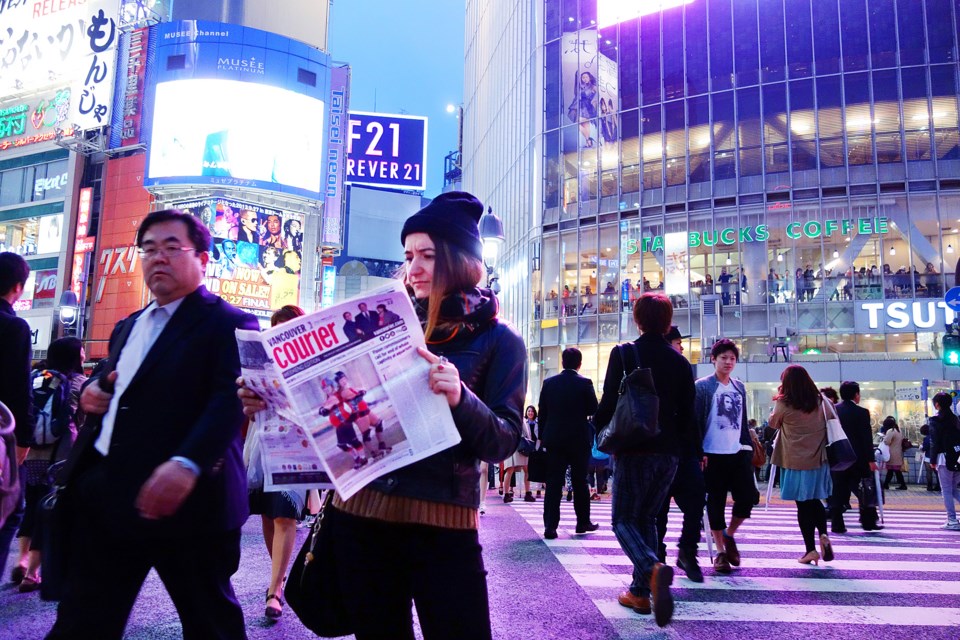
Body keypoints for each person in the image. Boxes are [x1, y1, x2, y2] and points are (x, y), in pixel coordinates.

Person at [241, 191, 526, 639]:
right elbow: (330, 416)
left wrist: (460, 397)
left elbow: (505, 439)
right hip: (362, 518)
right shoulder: (374, 321)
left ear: (460, 259)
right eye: (409, 255)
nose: (413, 268)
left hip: (442, 524)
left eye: (428, 255)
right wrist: (271, 399)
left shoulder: (499, 340)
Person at [48, 210, 259, 639]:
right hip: (111, 496)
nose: (156, 258)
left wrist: (186, 463)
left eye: (170, 247)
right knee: (84, 618)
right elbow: (110, 377)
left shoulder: (229, 323)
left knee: (210, 621)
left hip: (190, 504)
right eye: (148, 249)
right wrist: (92, 389)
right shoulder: (129, 325)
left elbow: (227, 402)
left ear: (203, 258)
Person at [595, 293, 698, 627]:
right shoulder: (681, 362)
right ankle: (640, 592)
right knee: (649, 518)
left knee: (623, 519)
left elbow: (609, 401)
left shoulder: (625, 353)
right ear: (668, 323)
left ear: (637, 319)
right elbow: (688, 415)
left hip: (634, 447)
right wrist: (690, 455)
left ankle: (652, 567)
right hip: (669, 453)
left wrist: (599, 429)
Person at [246, 305, 308, 620]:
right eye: (276, 330)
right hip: (262, 445)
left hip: (296, 447)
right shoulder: (263, 363)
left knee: (286, 516)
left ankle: (274, 592)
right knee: (268, 515)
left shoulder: (309, 361)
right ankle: (279, 578)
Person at [15, 338, 86, 593]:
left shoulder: (36, 377)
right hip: (61, 456)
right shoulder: (78, 382)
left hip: (31, 454)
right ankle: (33, 573)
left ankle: (22, 559)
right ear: (75, 356)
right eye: (81, 351)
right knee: (51, 511)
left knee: (32, 504)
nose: (84, 354)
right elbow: (83, 420)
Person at [695, 339, 756, 575]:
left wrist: (747, 447)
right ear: (713, 359)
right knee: (716, 502)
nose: (728, 362)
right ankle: (720, 551)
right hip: (712, 453)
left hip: (738, 451)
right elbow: (697, 421)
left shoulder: (739, 387)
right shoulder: (702, 387)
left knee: (747, 498)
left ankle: (730, 534)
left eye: (732, 358)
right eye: (724, 358)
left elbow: (742, 421)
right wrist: (698, 451)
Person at [768, 365, 835, 566]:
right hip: (818, 459)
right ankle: (823, 534)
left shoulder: (783, 403)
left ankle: (810, 550)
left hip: (794, 460)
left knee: (802, 505)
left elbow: (773, 423)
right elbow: (833, 420)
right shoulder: (822, 401)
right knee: (815, 500)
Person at [655, 326, 705, 583]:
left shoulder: (683, 366)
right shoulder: (650, 364)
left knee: (696, 500)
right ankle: (657, 557)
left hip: (684, 449)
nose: (682, 347)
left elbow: (690, 412)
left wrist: (698, 450)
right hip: (658, 448)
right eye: (678, 342)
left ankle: (687, 550)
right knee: (658, 509)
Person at [538, 347, 599, 538]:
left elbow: (543, 413)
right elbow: (593, 408)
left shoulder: (549, 383)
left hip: (554, 438)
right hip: (578, 439)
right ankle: (582, 522)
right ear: (579, 364)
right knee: (580, 480)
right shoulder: (585, 383)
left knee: (554, 481)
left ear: (562, 362)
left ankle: (550, 526)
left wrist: (543, 436)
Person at [0, 252, 34, 577]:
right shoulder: (14, 327)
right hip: (1, 437)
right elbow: (18, 387)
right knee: (10, 509)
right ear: (18, 287)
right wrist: (22, 438)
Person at [828, 381, 883, 533]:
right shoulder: (862, 412)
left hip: (838, 457)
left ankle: (837, 524)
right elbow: (866, 438)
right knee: (865, 489)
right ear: (856, 395)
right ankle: (868, 521)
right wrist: (870, 460)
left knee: (837, 490)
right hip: (858, 458)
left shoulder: (833, 411)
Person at [928, 392, 960, 530]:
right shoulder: (955, 419)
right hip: (957, 457)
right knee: (953, 489)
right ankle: (952, 519)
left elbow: (934, 442)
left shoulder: (936, 420)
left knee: (946, 490)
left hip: (943, 458)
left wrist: (932, 459)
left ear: (937, 405)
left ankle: (952, 520)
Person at [881, 416, 908, 490]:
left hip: (892, 452)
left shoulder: (891, 431)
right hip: (898, 452)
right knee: (893, 470)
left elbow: (886, 441)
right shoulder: (898, 430)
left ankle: (902, 485)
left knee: (895, 470)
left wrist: (884, 437)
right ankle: (886, 484)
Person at [921, 423, 941, 492]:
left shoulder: (926, 438)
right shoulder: (936, 437)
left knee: (928, 472)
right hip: (936, 457)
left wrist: (921, 448)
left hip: (928, 457)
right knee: (937, 472)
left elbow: (924, 448)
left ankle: (929, 486)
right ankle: (939, 486)